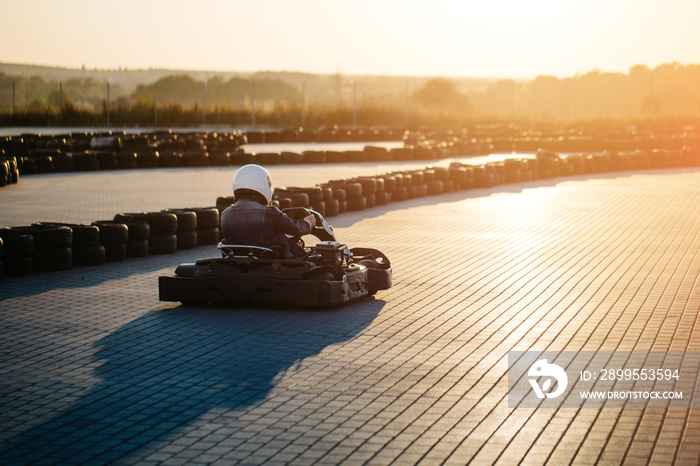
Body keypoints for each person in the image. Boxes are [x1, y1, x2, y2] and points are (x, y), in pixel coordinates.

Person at [220, 164, 316, 257]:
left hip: (237, 261)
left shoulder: (225, 215)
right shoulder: (269, 212)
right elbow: (295, 229)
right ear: (263, 184)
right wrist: (307, 223)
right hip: (271, 262)